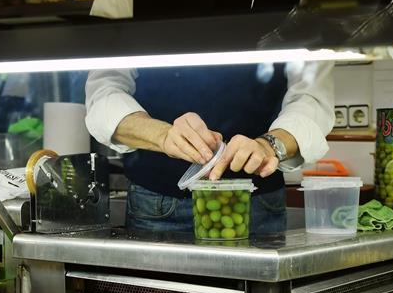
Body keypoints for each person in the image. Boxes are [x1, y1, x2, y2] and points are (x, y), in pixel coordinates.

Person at [84, 60, 334, 235]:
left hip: (258, 204)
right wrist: (163, 135)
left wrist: (269, 145)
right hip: (156, 204)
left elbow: (311, 97)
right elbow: (104, 91)